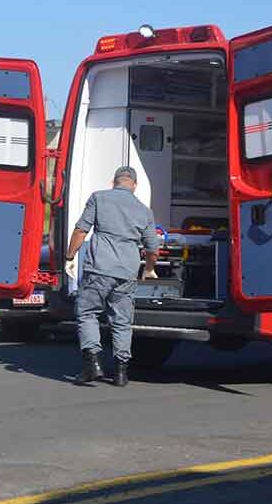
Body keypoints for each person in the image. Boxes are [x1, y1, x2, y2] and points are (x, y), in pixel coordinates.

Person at [65, 166, 160, 387]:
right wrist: (148, 268)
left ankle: (93, 364)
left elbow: (81, 230)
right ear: (134, 185)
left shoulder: (99, 198)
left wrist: (70, 256)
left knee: (87, 313)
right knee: (122, 322)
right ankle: (120, 373)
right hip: (127, 273)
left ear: (114, 182)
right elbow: (152, 248)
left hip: (99, 268)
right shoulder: (144, 210)